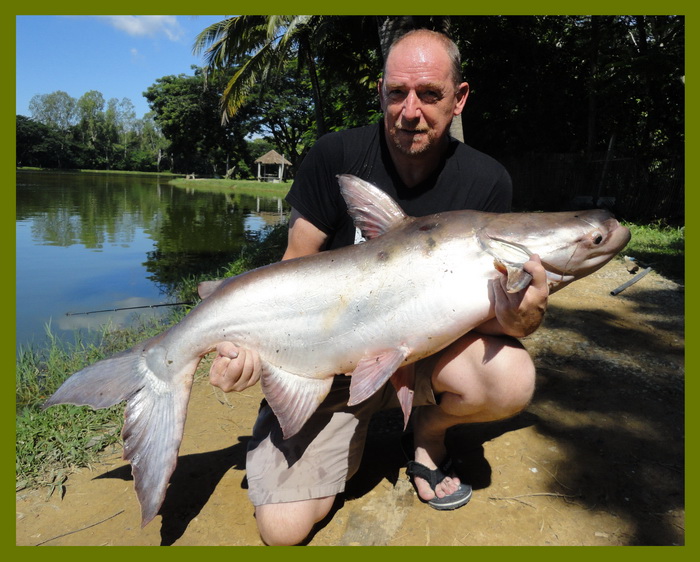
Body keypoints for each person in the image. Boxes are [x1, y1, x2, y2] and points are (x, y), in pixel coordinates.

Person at [209, 29, 549, 545]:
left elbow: (492, 311)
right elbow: (296, 262)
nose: (410, 110)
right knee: (282, 531)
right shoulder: (333, 156)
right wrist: (259, 352)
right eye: (397, 93)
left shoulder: (487, 182)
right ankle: (347, 428)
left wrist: (523, 317)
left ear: (459, 99)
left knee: (511, 377)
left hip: (427, 349)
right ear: (381, 92)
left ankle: (428, 433)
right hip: (331, 360)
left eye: (430, 94)